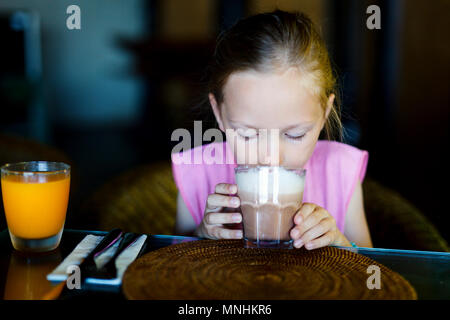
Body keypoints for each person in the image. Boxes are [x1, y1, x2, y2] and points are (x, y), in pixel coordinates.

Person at [171, 10, 373, 249]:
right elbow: (174, 268)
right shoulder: (197, 172)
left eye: (294, 134)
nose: (271, 157)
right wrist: (201, 235)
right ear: (219, 114)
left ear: (324, 114)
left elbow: (371, 275)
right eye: (248, 134)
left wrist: (340, 244)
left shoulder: (340, 169)